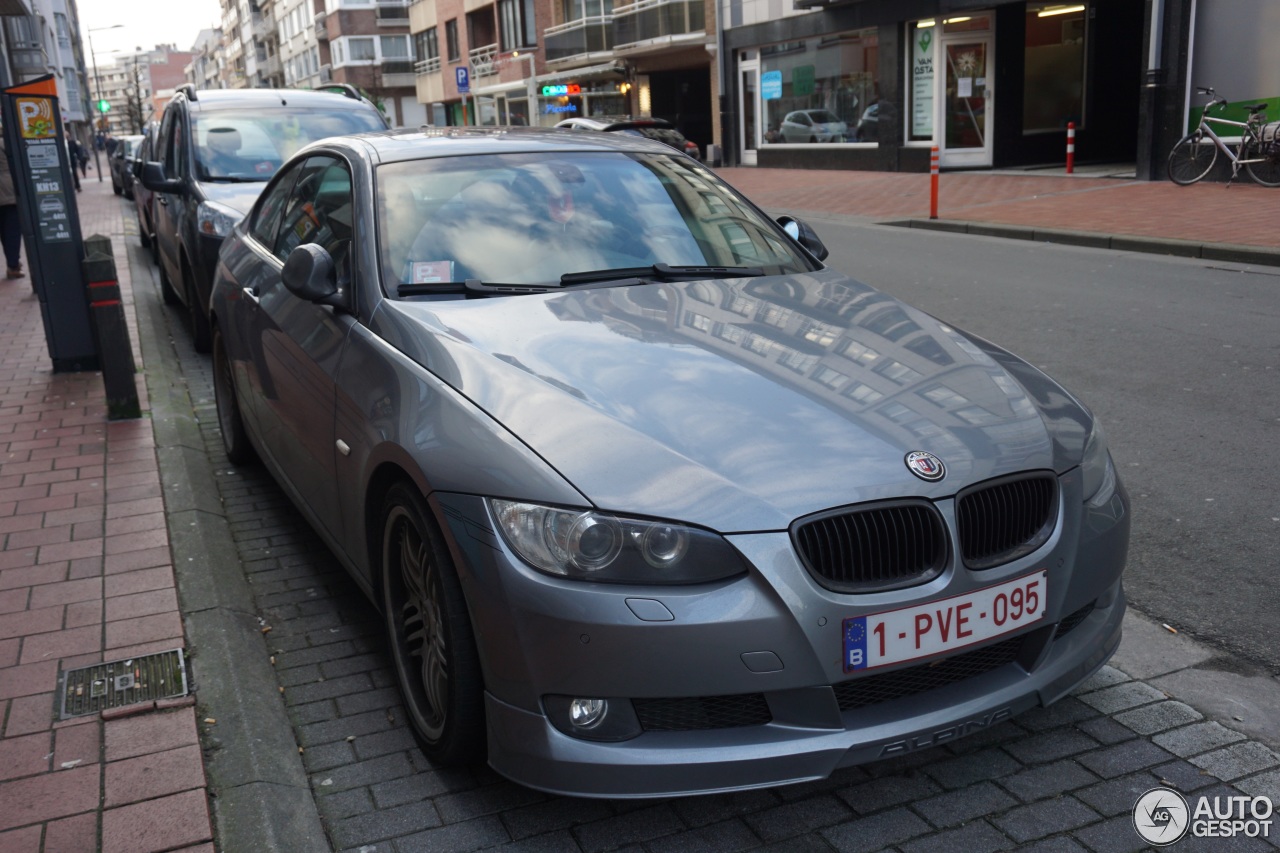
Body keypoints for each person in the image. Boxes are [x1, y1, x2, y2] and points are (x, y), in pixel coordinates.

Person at [0, 136, 23, 279]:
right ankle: (13, 264)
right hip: (8, 192)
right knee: (11, 231)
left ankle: (13, 263)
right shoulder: (4, 142)